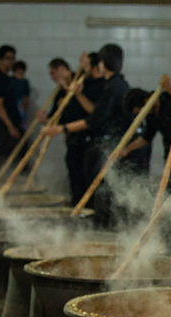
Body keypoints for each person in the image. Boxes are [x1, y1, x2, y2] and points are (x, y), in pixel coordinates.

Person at [42, 44, 130, 228]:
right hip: (103, 144)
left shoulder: (114, 87)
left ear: (102, 64)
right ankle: (100, 226)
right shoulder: (115, 84)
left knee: (103, 193)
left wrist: (61, 129)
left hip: (107, 145)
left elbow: (94, 119)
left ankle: (104, 230)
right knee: (97, 190)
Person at [38, 56, 101, 205]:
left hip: (87, 138)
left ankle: (88, 209)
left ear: (62, 69)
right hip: (72, 139)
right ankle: (76, 205)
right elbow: (56, 119)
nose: (52, 77)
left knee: (87, 176)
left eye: (53, 73)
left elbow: (91, 112)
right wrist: (45, 120)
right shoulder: (60, 91)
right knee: (74, 174)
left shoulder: (83, 81)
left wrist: (70, 91)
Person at [0, 44, 23, 169]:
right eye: (8, 58)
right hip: (5, 127)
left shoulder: (7, 79)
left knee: (17, 159)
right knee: (10, 160)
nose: (11, 62)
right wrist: (10, 126)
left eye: (13, 59)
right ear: (0, 60)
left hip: (11, 124)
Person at [11, 60, 30, 129]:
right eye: (18, 73)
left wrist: (24, 106)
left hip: (20, 103)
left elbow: (26, 97)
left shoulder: (24, 82)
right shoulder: (10, 81)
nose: (20, 76)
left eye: (21, 74)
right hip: (11, 103)